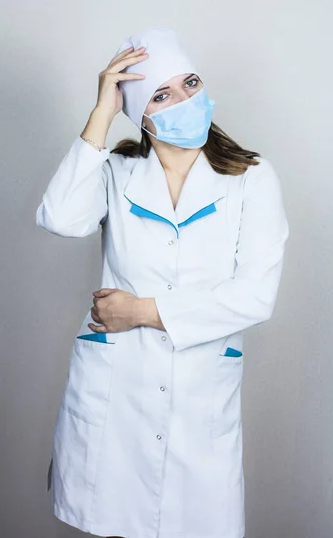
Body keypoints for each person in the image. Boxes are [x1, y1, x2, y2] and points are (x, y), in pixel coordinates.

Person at [36, 27, 289, 538]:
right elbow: (60, 217)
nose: (185, 100)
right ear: (141, 114)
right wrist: (101, 113)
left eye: (190, 84)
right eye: (161, 94)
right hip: (117, 397)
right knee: (113, 518)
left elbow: (255, 296)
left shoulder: (252, 178)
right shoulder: (116, 173)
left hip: (200, 396)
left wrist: (141, 311)